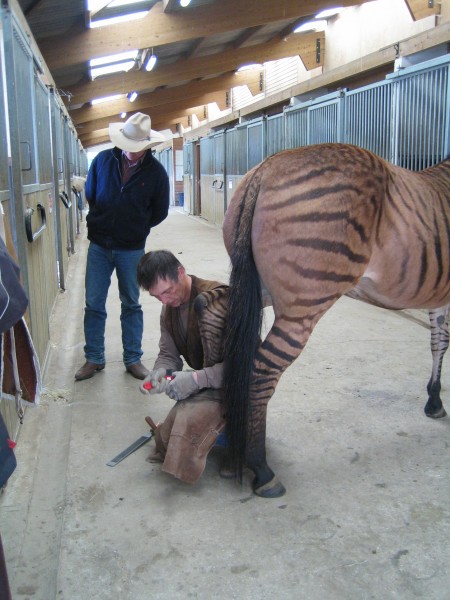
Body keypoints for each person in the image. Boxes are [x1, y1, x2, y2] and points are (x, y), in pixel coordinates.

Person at [75, 113, 170, 381]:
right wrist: (103, 220)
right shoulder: (102, 161)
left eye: (138, 146)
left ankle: (133, 358)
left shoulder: (156, 174)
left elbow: (159, 211)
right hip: (100, 245)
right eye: (128, 144)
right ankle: (94, 357)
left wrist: (136, 227)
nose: (132, 151)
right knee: (93, 302)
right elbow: (91, 195)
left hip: (131, 249)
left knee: (131, 302)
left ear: (146, 146)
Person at [137, 250, 228, 484]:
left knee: (187, 422)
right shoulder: (169, 308)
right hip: (209, 381)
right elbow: (168, 354)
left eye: (167, 291)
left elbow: (246, 367)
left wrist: (197, 380)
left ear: (181, 272)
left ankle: (239, 439)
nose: (165, 301)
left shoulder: (219, 300)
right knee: (166, 436)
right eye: (157, 297)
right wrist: (160, 374)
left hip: (240, 382)